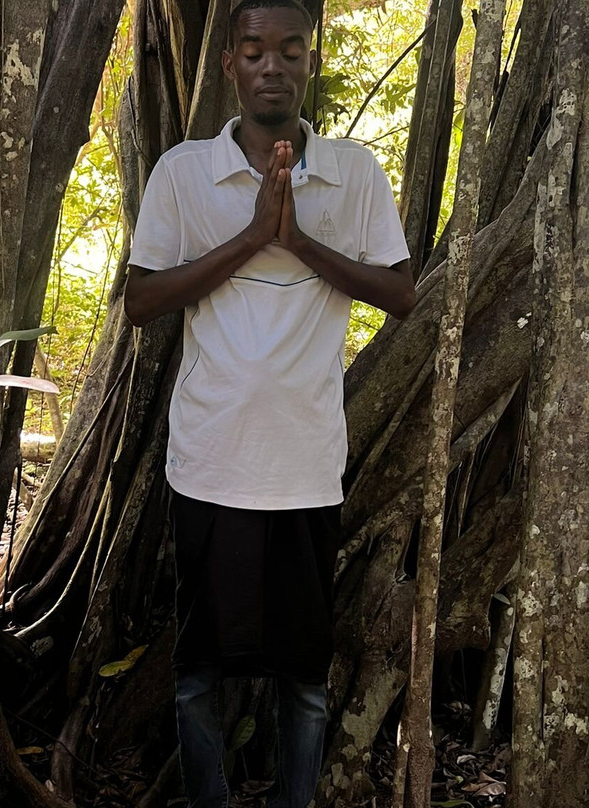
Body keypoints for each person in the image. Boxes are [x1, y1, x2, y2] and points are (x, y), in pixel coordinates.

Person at [124, 1, 414, 805]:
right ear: (230, 65)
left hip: (306, 467)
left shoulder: (352, 172)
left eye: (290, 50)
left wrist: (297, 241)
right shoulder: (184, 172)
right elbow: (141, 302)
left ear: (310, 63)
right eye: (255, 50)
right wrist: (251, 238)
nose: (272, 65)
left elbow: (401, 293)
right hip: (209, 463)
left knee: (304, 673)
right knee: (198, 668)